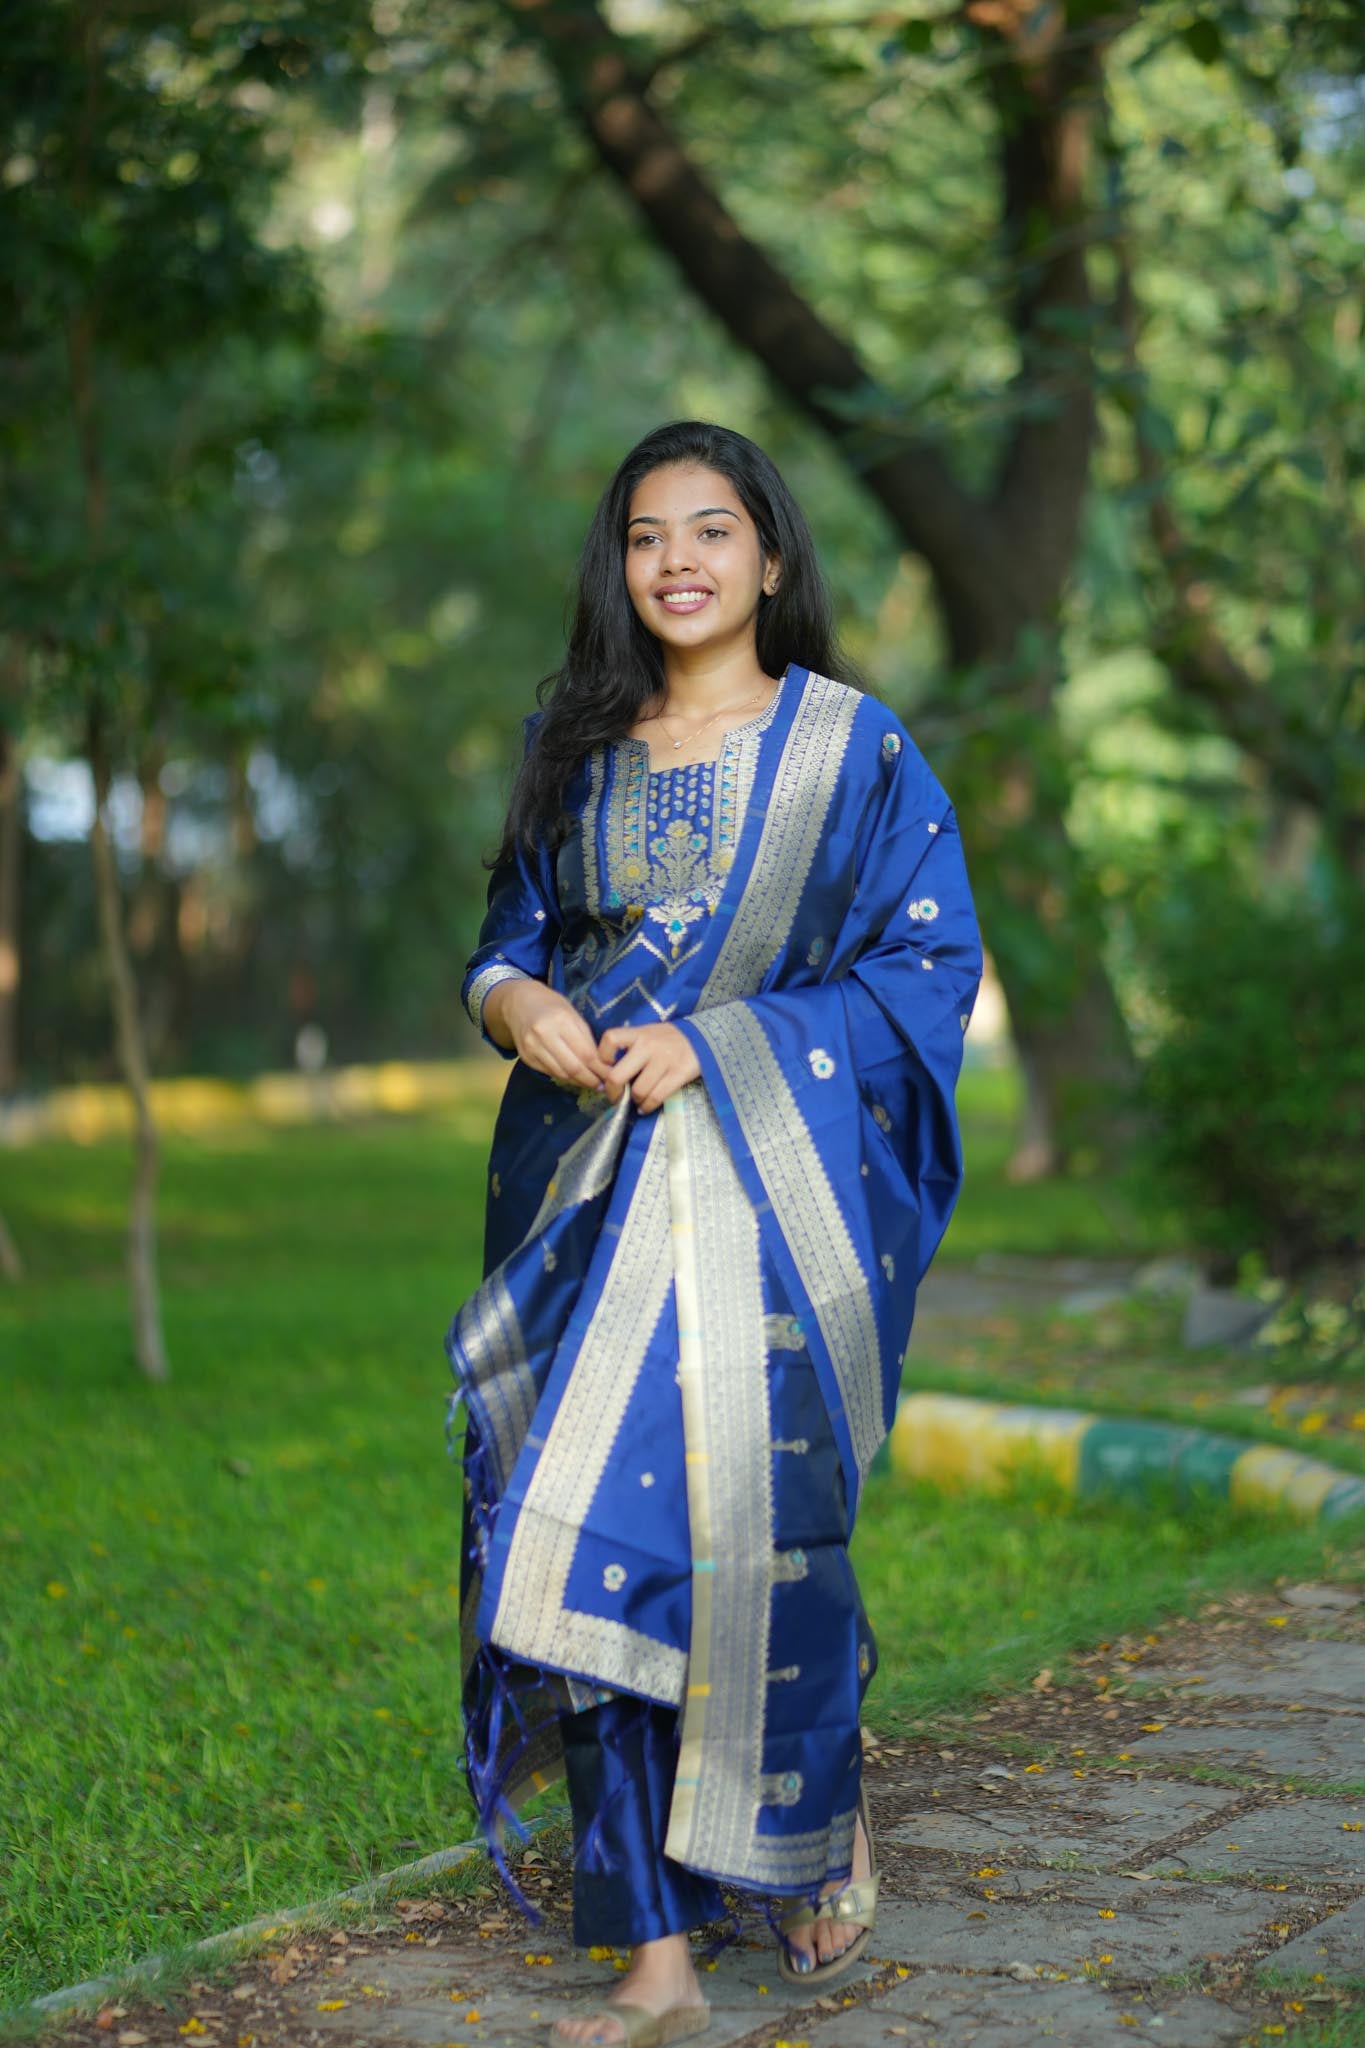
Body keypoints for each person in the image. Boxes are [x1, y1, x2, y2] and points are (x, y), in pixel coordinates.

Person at [443, 420, 982, 2048]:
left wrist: (725, 1044)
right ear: (616, 567)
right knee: (582, 1534)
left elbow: (925, 971)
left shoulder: (851, 751)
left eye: (710, 529)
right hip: (583, 1197)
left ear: (768, 555)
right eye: (643, 535)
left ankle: (804, 1815)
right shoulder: (571, 746)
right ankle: (656, 1958)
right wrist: (519, 1004)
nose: (674, 560)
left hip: (769, 1208)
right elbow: (507, 942)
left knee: (756, 1521)